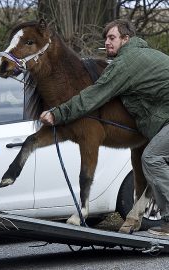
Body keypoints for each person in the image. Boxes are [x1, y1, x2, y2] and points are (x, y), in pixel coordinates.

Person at [39, 19, 169, 236]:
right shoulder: (144, 55)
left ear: (126, 39)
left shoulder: (126, 63)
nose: (107, 43)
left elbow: (94, 95)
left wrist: (57, 113)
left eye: (112, 38)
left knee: (151, 158)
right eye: (106, 38)